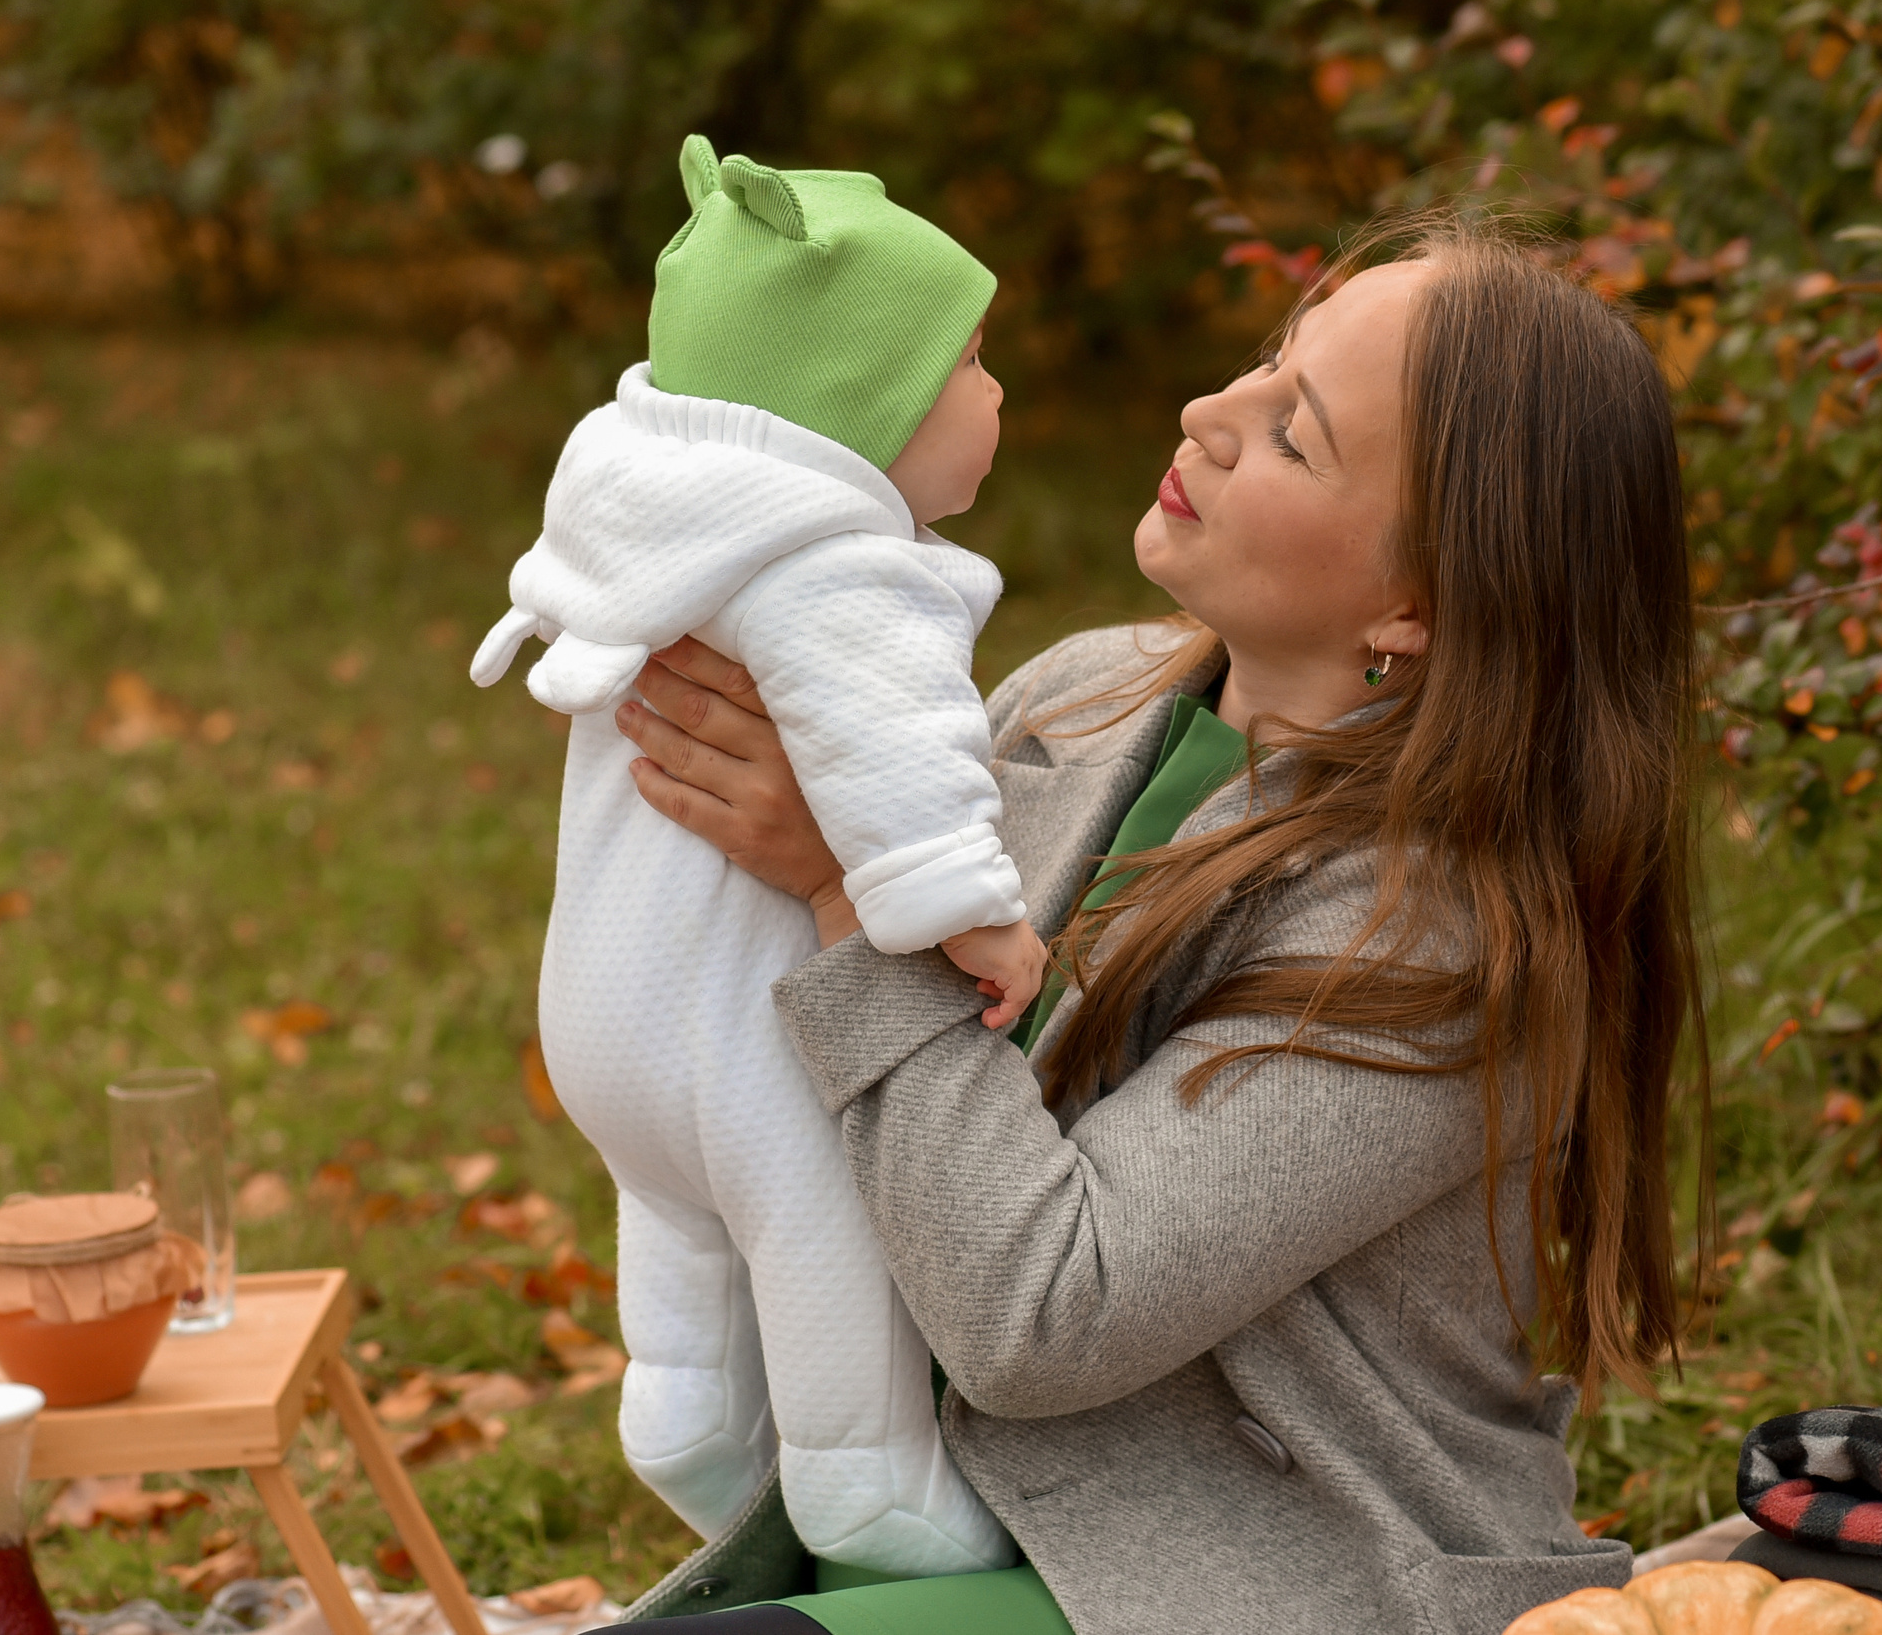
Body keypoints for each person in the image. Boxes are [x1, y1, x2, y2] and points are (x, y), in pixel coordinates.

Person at [601, 224, 1705, 1635]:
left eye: (1295, 435)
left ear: (1417, 602)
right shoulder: (1077, 700)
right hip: (952, 1511)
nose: (1210, 414)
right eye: (1266, 363)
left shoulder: (1447, 938)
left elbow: (1042, 1315)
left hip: (1262, 1570)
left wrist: (847, 891)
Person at [470, 136, 1051, 1579]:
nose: (996, 396)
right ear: (869, 404)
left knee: (681, 1264)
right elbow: (900, 750)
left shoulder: (653, 520)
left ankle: (681, 1424)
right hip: (749, 1048)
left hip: (603, 1018)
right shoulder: (838, 561)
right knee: (811, 1225)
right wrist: (972, 916)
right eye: (971, 365)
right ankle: (868, 1489)